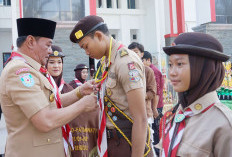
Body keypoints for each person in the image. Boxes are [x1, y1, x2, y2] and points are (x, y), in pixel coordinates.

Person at [0, 18, 98, 157]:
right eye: (48, 45)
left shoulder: (33, 70)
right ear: (30, 42)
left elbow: (51, 103)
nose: (50, 51)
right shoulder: (20, 73)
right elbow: (45, 120)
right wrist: (83, 105)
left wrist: (80, 92)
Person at [70, 15, 153, 157]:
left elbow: (140, 118)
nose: (87, 53)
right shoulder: (106, 62)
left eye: (86, 46)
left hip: (128, 141)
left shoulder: (126, 62)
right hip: (111, 142)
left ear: (98, 36)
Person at [159, 32, 232, 156]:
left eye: (179, 64)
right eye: (170, 65)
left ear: (203, 68)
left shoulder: (223, 125)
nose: (172, 72)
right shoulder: (176, 114)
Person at [128, 42, 157, 151]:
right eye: (130, 52)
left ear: (141, 54)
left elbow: (152, 92)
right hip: (130, 113)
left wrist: (138, 96)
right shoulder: (128, 69)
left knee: (148, 142)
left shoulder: (148, 71)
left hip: (145, 112)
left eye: (135, 52)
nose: (133, 54)